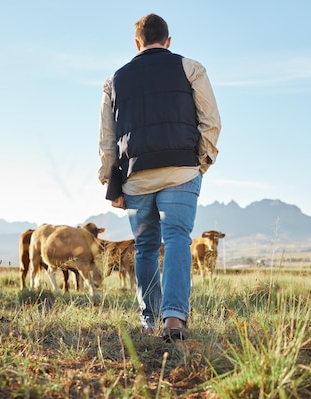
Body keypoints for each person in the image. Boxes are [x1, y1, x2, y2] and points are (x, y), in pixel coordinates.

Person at [98, 13, 221, 341]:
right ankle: (175, 320)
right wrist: (201, 161)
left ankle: (149, 321)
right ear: (168, 41)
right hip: (181, 170)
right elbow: (211, 120)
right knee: (179, 239)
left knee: (146, 248)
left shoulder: (114, 81)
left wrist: (111, 184)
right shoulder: (190, 68)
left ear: (137, 43)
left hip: (135, 178)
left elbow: (107, 141)